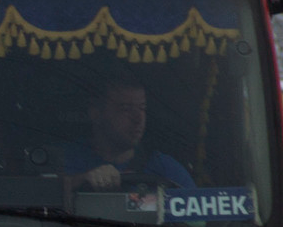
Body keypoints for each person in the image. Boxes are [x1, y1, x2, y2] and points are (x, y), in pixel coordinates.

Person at [56, 71, 194, 195]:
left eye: (142, 108)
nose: (138, 118)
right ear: (96, 113)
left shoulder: (166, 169)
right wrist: (80, 181)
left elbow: (199, 219)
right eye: (126, 109)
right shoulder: (63, 160)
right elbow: (40, 192)